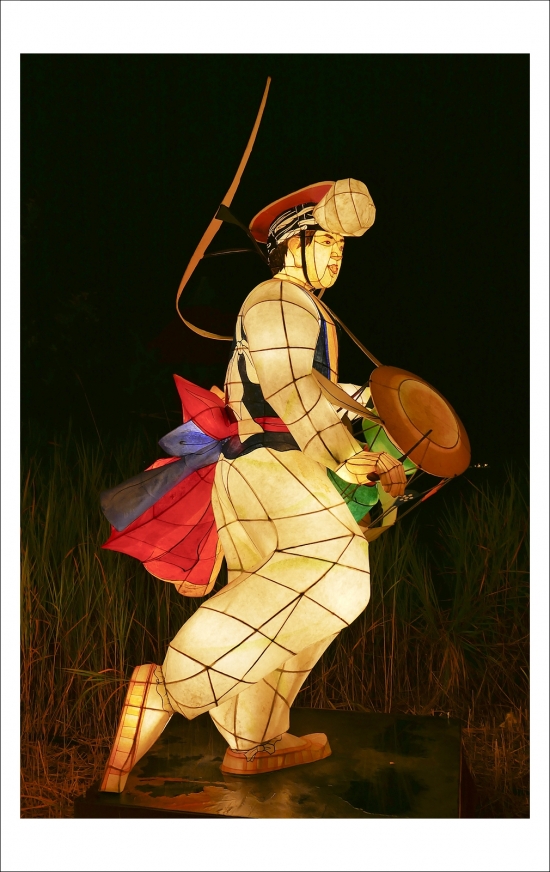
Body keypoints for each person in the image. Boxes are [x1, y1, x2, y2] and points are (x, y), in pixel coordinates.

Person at [100, 179, 407, 791]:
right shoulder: (279, 298)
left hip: (258, 469)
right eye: (326, 243)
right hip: (277, 465)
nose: (336, 257)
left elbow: (306, 386)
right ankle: (171, 687)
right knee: (338, 577)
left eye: (341, 248)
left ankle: (254, 735)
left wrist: (376, 414)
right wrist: (345, 453)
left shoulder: (296, 306)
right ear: (292, 246)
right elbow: (288, 385)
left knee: (273, 596)